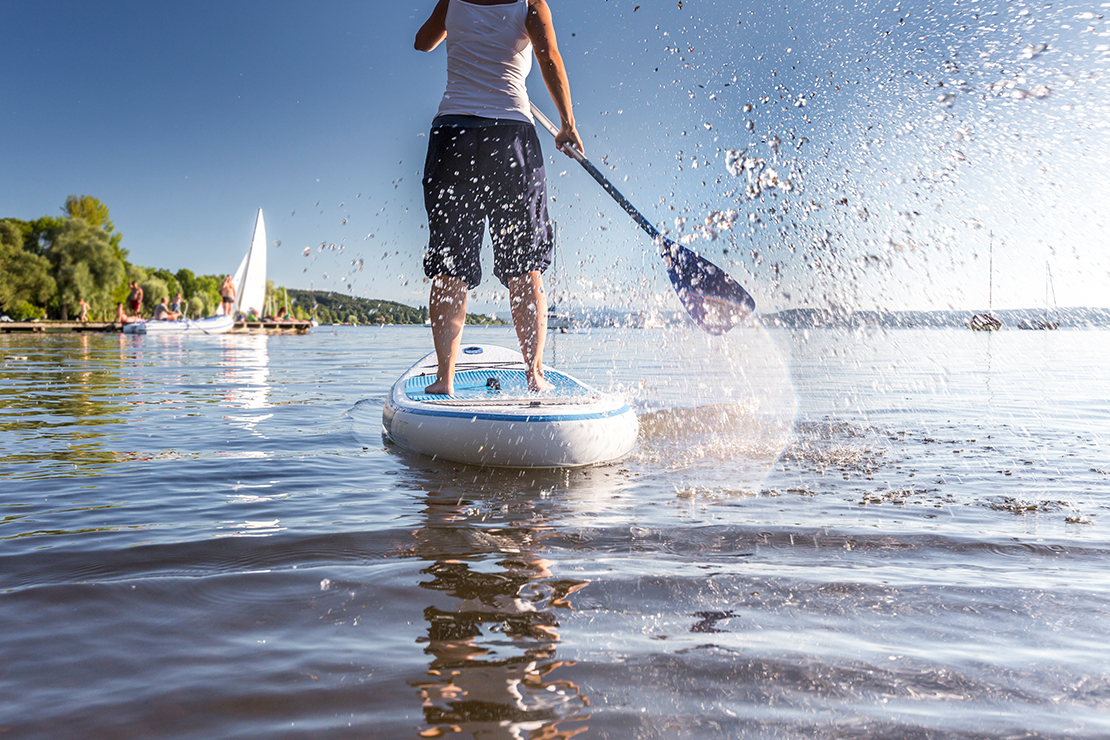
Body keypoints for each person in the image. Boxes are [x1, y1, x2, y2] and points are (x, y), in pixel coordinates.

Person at [415, 0, 582, 394]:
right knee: (525, 267)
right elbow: (549, 59)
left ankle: (444, 380)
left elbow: (424, 42)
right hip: (510, 137)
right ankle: (535, 375)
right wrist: (567, 125)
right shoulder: (531, 4)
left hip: (452, 134)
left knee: (449, 264)